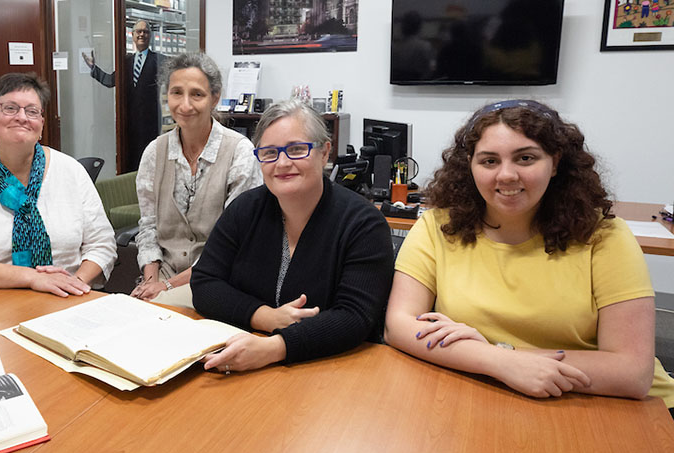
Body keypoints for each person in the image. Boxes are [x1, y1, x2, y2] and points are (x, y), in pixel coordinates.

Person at [384, 99, 674, 411]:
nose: (506, 175)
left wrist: (503, 355)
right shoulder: (437, 225)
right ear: (469, 164)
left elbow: (631, 373)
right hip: (492, 393)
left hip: (614, 408)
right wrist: (498, 362)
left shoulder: (604, 237)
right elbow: (398, 326)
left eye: (525, 158)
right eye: (489, 161)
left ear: (555, 162)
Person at [191, 100, 394, 373]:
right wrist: (266, 317)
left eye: (297, 149)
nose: (282, 163)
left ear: (325, 153)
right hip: (247, 358)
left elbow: (355, 317)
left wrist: (274, 347)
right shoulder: (245, 210)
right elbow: (204, 283)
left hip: (331, 370)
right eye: (270, 152)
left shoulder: (364, 224)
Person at [0, 72, 117, 297]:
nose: (21, 117)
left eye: (32, 111)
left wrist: (74, 283)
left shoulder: (71, 171)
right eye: (10, 108)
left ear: (41, 124)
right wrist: (32, 278)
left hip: (70, 296)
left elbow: (102, 243)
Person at [130, 52, 262, 306]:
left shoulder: (239, 152)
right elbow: (148, 226)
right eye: (176, 93)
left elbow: (232, 243)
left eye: (197, 94)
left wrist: (166, 288)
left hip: (221, 278)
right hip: (162, 276)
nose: (185, 105)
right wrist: (150, 282)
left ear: (215, 98)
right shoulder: (154, 153)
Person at [82, 20, 163, 172]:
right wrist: (93, 68)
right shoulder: (125, 61)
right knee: (129, 161)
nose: (142, 34)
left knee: (148, 161)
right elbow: (110, 81)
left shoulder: (159, 59)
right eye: (138, 31)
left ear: (150, 36)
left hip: (150, 123)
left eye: (145, 32)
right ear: (132, 35)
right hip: (127, 122)